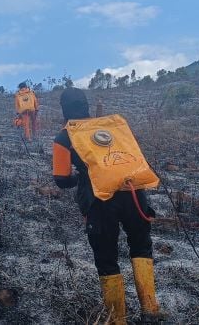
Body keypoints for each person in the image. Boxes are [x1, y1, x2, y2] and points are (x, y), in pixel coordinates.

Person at [52, 87, 162, 324]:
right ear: (86, 105)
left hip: (99, 201)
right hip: (133, 192)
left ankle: (117, 319)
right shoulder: (111, 126)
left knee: (106, 258)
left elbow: (60, 180)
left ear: (64, 109)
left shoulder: (64, 137)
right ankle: (151, 309)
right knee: (142, 247)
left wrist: (80, 177)